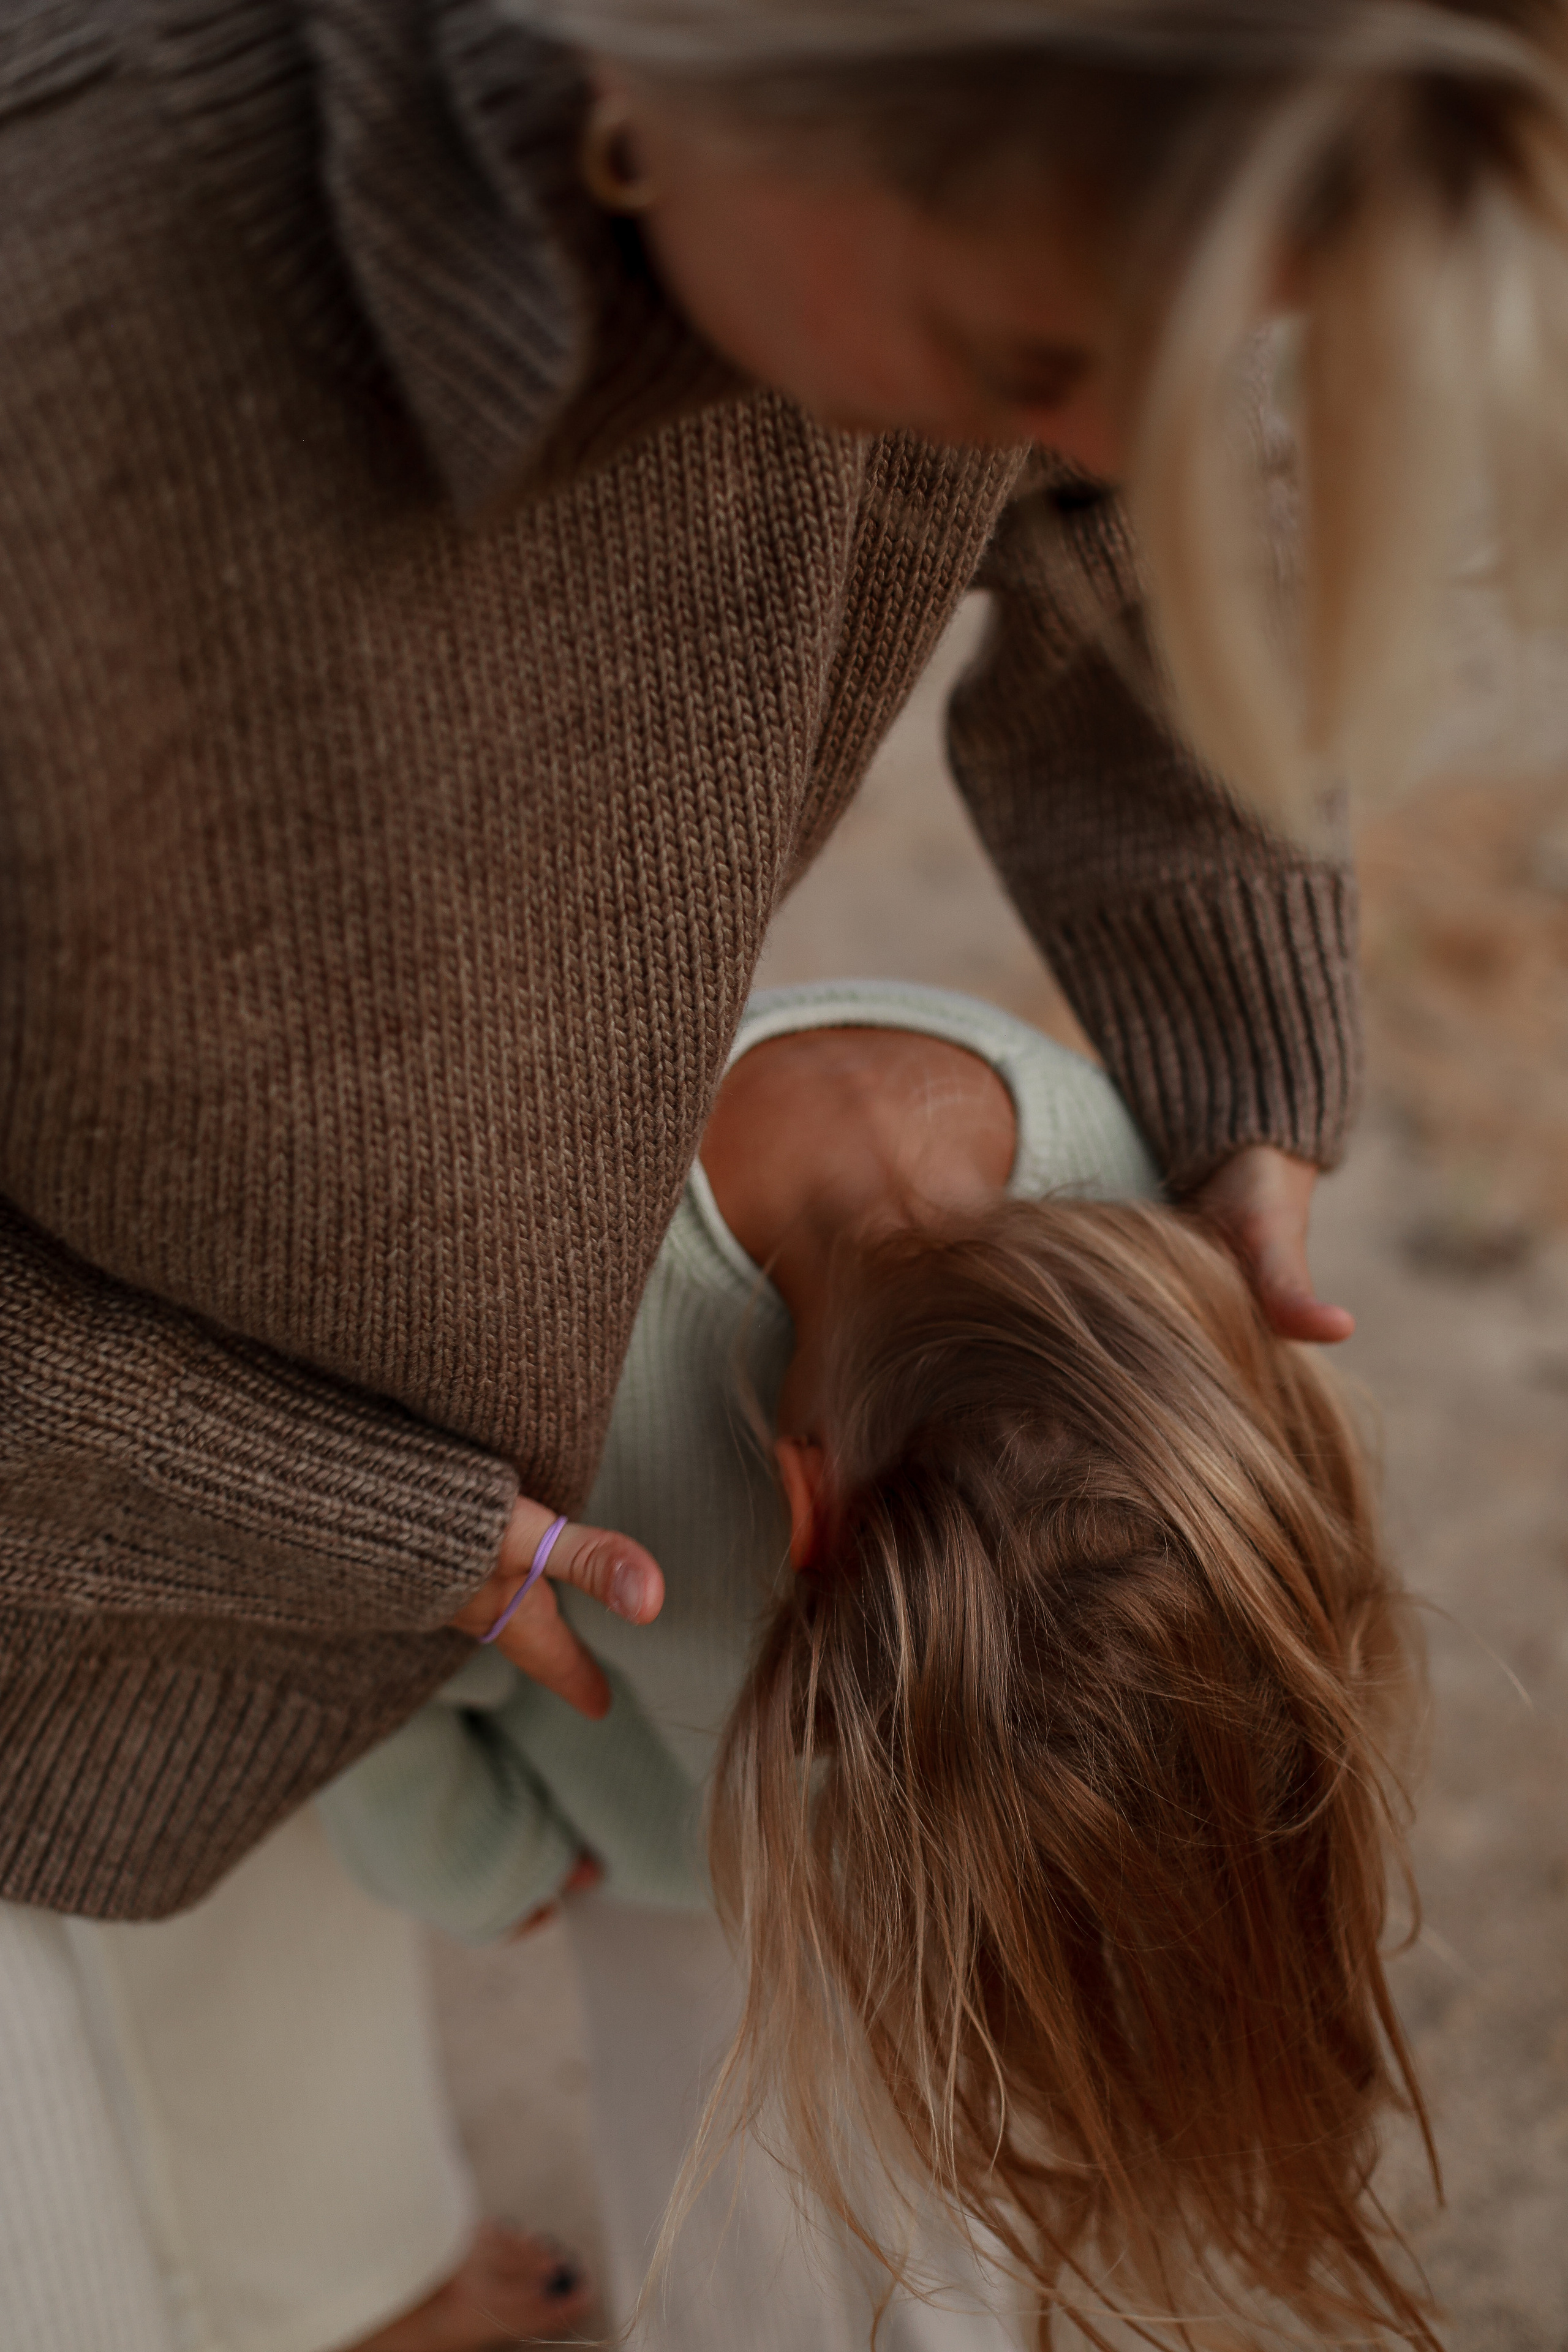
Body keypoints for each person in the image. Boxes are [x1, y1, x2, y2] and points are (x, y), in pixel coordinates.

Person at [2, 0, 1559, 2342]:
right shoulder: (65, 323)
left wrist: (1239, 1053)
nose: (1126, 438)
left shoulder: (931, 227)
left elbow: (1151, 544)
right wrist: (319, 1523)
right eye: (1035, 333)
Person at [314, 978, 1426, 2350]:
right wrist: (475, 1853)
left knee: (958, 2175)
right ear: (806, 1515)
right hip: (674, 1880)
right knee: (736, 2216)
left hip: (968, 1823)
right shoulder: (536, 1311)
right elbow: (359, 1631)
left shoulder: (1109, 1189)